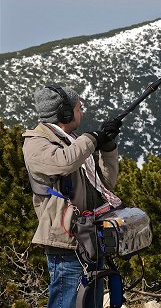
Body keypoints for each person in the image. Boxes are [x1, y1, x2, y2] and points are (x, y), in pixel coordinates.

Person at [22, 85, 122, 308]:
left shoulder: (71, 141)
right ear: (64, 113)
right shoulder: (36, 143)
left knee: (90, 303)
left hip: (89, 238)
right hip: (65, 242)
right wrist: (92, 139)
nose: (82, 113)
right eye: (78, 108)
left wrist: (108, 147)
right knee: (66, 302)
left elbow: (105, 184)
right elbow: (64, 163)